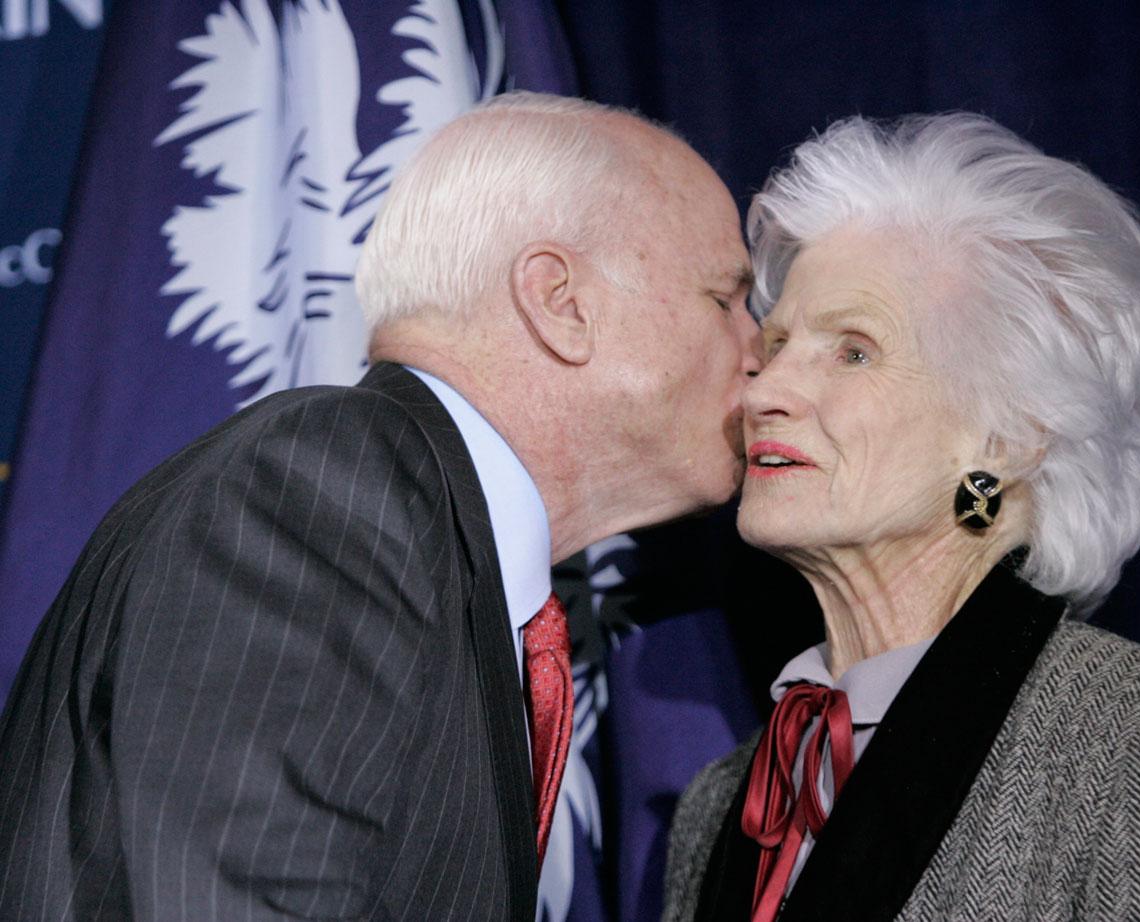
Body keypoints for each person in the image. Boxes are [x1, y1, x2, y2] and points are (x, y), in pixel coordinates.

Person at [0, 92, 761, 921]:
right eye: (725, 298)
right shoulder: (320, 496)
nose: (761, 349)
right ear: (560, 301)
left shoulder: (417, 534)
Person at [663, 113, 1140, 921]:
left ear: (1006, 441)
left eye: (853, 351)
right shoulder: (720, 804)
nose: (762, 393)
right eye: (777, 346)